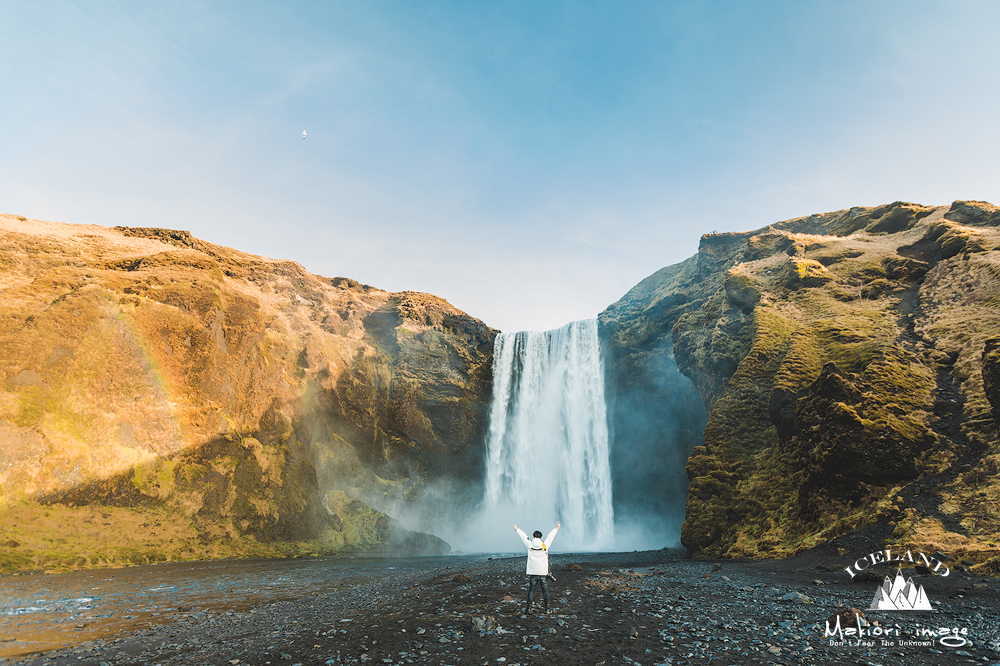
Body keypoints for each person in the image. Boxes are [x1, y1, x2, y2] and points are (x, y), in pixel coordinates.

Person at [513, 520, 560, 615]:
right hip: (543, 573)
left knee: (531, 591)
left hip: (533, 572)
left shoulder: (529, 545)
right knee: (545, 591)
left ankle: (528, 609)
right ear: (541, 537)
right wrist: (557, 528)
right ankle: (547, 609)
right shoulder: (544, 545)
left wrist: (516, 529)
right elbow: (550, 537)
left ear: (534, 537)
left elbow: (523, 536)